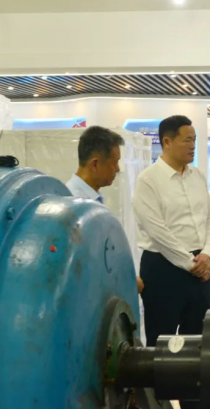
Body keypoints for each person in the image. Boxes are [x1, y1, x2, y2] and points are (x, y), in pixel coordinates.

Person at [133, 115, 210, 350]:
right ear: (167, 142)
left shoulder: (197, 176)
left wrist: (207, 254)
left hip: (200, 269)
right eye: (187, 140)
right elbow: (157, 232)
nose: (193, 145)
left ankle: (194, 378)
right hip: (163, 270)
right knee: (162, 342)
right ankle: (163, 378)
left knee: (199, 341)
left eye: (195, 140)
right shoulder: (148, 180)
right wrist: (193, 264)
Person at [65, 126, 145, 294]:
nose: (118, 169)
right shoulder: (73, 204)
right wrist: (124, 283)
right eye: (114, 163)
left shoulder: (94, 198)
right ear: (95, 164)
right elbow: (84, 263)